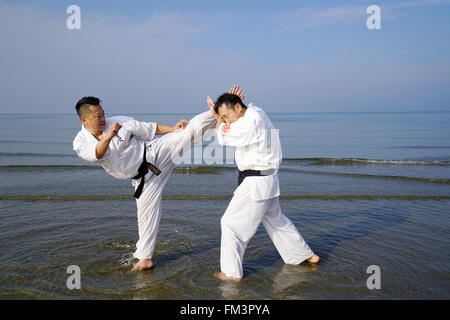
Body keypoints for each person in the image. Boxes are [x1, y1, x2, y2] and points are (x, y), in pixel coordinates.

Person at [72, 94, 223, 271]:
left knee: (185, 133)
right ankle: (145, 259)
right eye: (98, 116)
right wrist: (108, 137)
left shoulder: (119, 122)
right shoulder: (80, 142)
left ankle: (219, 112)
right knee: (145, 218)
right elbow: (97, 153)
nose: (103, 119)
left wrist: (173, 129)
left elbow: (149, 128)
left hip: (155, 154)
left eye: (103, 114)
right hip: (143, 179)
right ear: (84, 119)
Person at [207, 87, 319, 281]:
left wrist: (217, 118)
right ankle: (305, 255)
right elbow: (228, 125)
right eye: (223, 117)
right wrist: (223, 112)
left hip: (256, 183)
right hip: (266, 180)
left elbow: (221, 136)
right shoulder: (257, 113)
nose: (226, 120)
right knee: (276, 221)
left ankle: (231, 273)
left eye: (227, 115)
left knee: (230, 224)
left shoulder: (250, 123)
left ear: (238, 107)